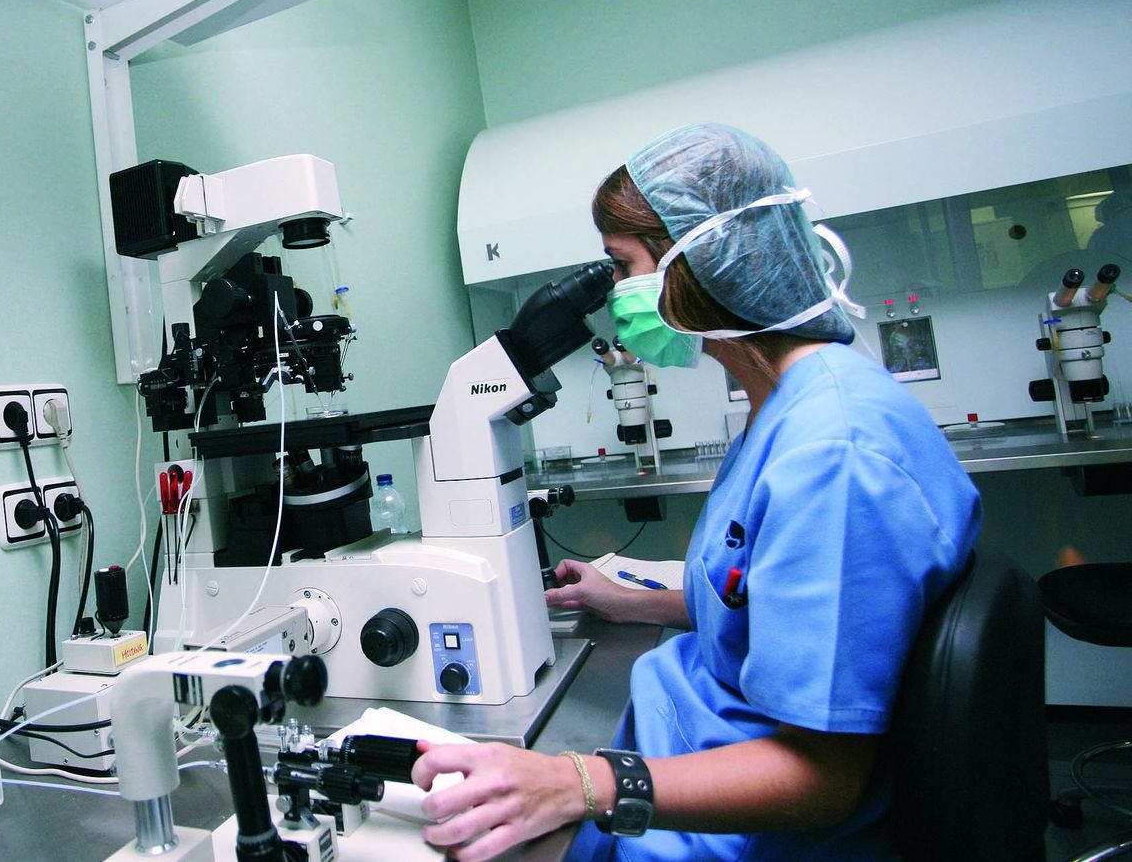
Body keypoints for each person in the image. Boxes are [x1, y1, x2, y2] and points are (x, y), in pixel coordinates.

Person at [409, 124, 981, 861]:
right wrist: (635, 603)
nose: (617, 295)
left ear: (700, 261)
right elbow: (777, 607)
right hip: (671, 770)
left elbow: (820, 778)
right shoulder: (786, 405)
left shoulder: (835, 453)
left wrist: (574, 782)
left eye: (622, 268)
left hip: (734, 832)